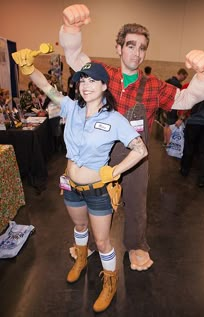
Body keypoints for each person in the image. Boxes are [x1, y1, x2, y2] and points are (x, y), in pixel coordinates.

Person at [59, 4, 204, 272]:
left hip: (136, 154)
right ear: (119, 48)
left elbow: (187, 98)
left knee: (136, 201)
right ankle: (95, 244)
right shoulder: (103, 74)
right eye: (130, 45)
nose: (137, 52)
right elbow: (74, 56)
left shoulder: (154, 85)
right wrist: (70, 30)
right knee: (96, 198)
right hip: (99, 153)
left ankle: (136, 245)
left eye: (142, 48)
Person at [12, 50, 148, 312]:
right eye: (81, 81)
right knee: (79, 228)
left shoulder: (114, 119)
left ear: (104, 86)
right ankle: (81, 260)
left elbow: (140, 149)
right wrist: (29, 69)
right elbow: (45, 87)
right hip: (71, 186)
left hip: (97, 190)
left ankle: (110, 282)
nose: (84, 86)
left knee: (103, 241)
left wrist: (116, 170)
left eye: (91, 81)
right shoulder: (71, 107)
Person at [163, 68, 189, 146]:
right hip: (173, 106)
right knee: (171, 126)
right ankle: (168, 143)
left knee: (166, 124)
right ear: (180, 74)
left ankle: (165, 141)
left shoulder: (168, 80)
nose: (184, 79)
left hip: (166, 105)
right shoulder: (178, 84)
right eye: (184, 77)